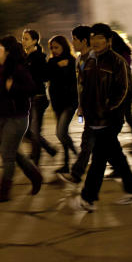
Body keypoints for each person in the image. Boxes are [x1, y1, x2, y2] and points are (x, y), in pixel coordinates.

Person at [70, 23, 132, 212]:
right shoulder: (88, 61)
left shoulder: (117, 61)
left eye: (100, 38)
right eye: (93, 37)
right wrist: (82, 107)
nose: (96, 41)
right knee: (115, 154)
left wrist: (109, 106)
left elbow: (123, 90)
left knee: (98, 158)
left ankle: (88, 197)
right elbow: (84, 89)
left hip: (110, 118)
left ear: (109, 41)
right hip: (93, 118)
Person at [0, 35, 43, 203]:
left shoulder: (18, 69)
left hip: (17, 117)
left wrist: (14, 87)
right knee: (14, 152)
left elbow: (32, 89)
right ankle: (35, 176)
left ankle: (4, 192)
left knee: (6, 153)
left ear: (8, 52)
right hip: (4, 116)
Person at [59, 25, 95, 185]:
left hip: (98, 107)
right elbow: (80, 85)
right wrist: (81, 106)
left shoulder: (95, 58)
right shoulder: (79, 59)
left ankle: (76, 173)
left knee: (87, 141)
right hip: (87, 106)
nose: (72, 42)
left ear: (84, 40)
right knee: (101, 143)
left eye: (74, 39)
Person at [22, 29, 58, 165]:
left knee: (34, 131)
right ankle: (48, 149)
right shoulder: (26, 57)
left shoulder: (39, 57)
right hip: (29, 98)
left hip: (38, 97)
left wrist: (31, 76)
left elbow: (45, 76)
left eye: (26, 38)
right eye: (23, 38)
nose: (23, 41)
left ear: (34, 41)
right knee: (28, 131)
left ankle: (36, 161)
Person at [47, 35, 78, 174]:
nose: (54, 50)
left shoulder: (72, 60)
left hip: (69, 102)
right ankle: (66, 163)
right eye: (52, 48)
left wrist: (62, 68)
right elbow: (47, 76)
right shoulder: (52, 61)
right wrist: (56, 65)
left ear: (64, 46)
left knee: (60, 132)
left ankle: (77, 156)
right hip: (56, 102)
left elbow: (71, 80)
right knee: (63, 133)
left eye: (57, 47)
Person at [110, 31, 132, 154]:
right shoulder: (116, 53)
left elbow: (124, 67)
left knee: (127, 118)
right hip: (119, 90)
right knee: (126, 118)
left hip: (124, 89)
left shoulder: (122, 53)